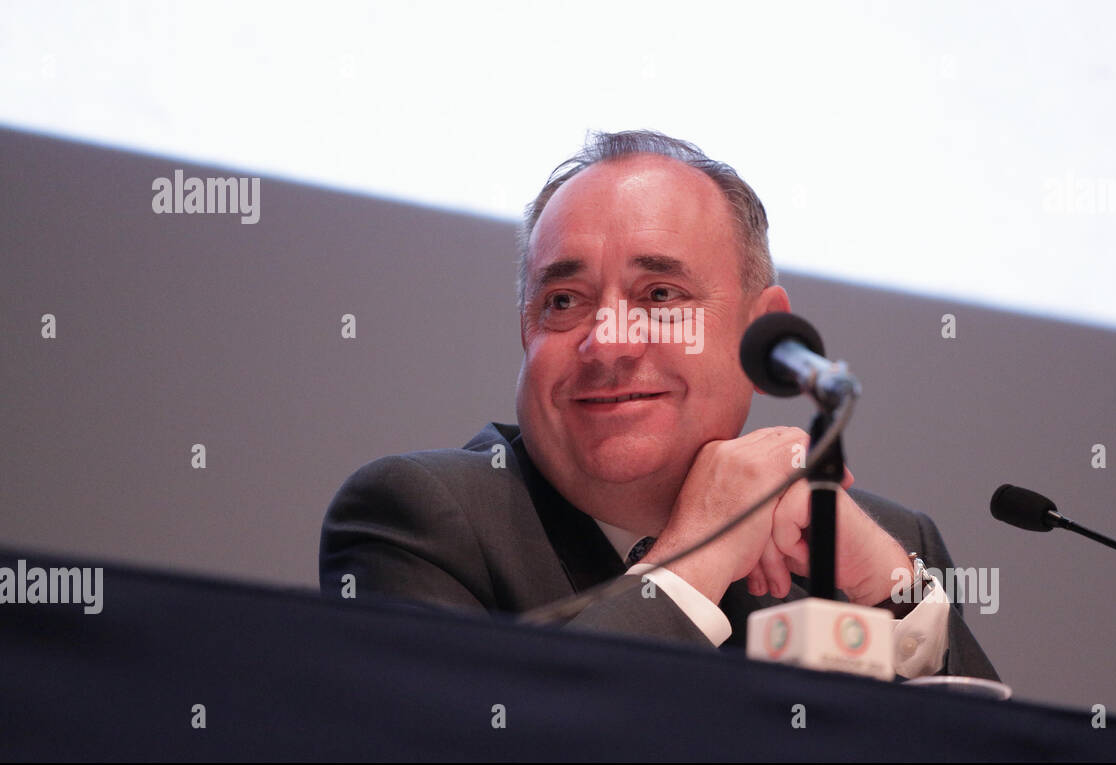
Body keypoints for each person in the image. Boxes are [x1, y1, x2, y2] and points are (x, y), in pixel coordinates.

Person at [320, 130, 998, 680]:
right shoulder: (421, 519)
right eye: (564, 302)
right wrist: (692, 560)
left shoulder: (890, 543)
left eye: (660, 296)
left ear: (762, 335)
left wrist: (892, 594)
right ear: (527, 331)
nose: (607, 343)